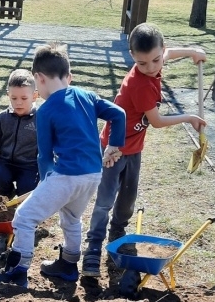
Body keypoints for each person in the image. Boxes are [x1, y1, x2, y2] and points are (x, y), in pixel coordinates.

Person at [0, 42, 126, 288]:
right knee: (71, 218)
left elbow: (44, 157)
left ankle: (16, 272)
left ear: (39, 78)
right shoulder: (86, 95)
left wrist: (46, 185)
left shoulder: (46, 111)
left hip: (66, 176)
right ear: (66, 74)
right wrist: (114, 146)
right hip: (92, 175)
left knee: (24, 218)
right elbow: (119, 114)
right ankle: (68, 267)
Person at [81, 23, 207, 287]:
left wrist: (192, 50)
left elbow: (168, 53)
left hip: (134, 148)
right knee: (105, 201)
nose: (151, 67)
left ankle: (118, 236)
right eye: (142, 63)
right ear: (132, 58)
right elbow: (158, 121)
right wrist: (190, 118)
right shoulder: (140, 85)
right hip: (114, 149)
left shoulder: (155, 61)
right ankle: (92, 248)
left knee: (127, 199)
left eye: (156, 60)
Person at [0, 69, 39, 199]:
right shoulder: (0, 118)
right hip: (5, 162)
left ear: (35, 96)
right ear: (8, 95)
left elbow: (49, 146)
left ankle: (23, 203)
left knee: (28, 188)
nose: (18, 102)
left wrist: (47, 170)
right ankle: (7, 196)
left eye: (24, 98)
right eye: (14, 98)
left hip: (30, 165)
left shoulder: (42, 119)